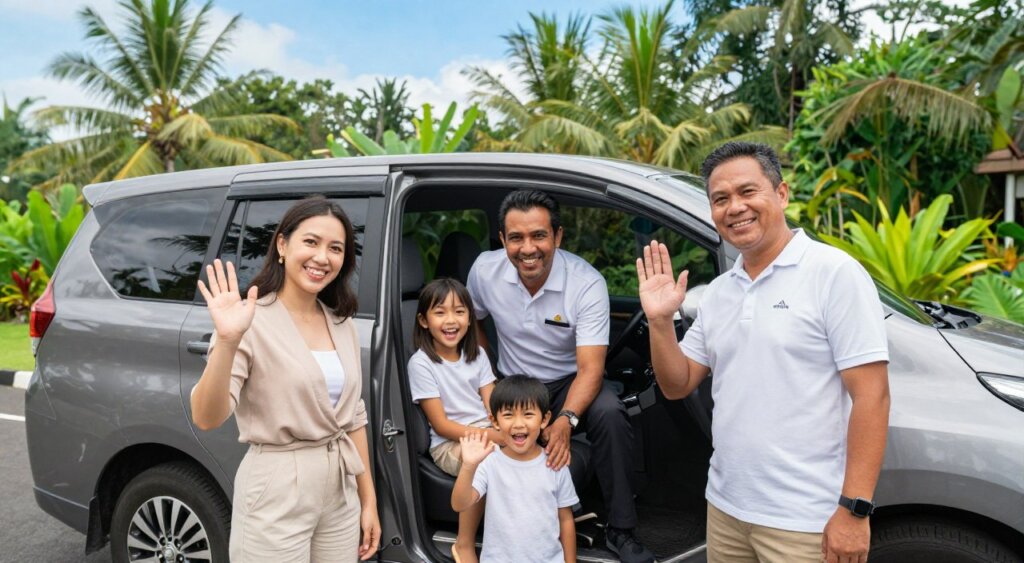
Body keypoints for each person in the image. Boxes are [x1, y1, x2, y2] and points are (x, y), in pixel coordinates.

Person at [637, 142, 891, 563]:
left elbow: (873, 397)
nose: (734, 207)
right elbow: (677, 383)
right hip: (726, 508)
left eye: (747, 192)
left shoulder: (833, 273)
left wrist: (855, 509)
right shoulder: (719, 292)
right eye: (720, 199)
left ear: (782, 194)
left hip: (805, 519)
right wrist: (661, 321)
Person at [467, 189, 654, 563]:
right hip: (514, 379)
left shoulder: (585, 283)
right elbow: (474, 320)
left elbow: (590, 370)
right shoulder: (485, 271)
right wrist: (489, 373)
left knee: (609, 412)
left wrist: (566, 419)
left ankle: (621, 529)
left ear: (557, 236)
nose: (528, 248)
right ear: (503, 239)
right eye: (516, 238)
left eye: (539, 235)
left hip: (571, 379)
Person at [191, 196, 381, 561]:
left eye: (335, 248)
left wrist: (367, 500)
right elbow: (206, 416)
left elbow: (353, 415)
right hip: (277, 483)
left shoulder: (342, 323)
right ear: (282, 244)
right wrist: (228, 341)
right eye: (311, 242)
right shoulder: (249, 320)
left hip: (340, 489)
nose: (322, 257)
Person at [408, 277, 502, 563]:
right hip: (450, 444)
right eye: (441, 312)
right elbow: (441, 425)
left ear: (470, 317)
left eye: (459, 311)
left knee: (529, 451)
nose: (451, 320)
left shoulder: (477, 355)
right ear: (424, 321)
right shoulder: (422, 363)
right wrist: (495, 437)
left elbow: (492, 404)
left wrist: (505, 428)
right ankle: (464, 544)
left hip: (486, 432)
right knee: (486, 459)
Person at [451, 375, 578, 563]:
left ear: (544, 419)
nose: (518, 423)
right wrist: (469, 466)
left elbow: (566, 520)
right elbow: (459, 504)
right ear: (494, 422)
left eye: (528, 414)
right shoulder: (489, 463)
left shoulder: (554, 464)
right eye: (508, 415)